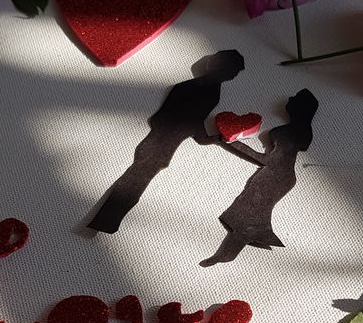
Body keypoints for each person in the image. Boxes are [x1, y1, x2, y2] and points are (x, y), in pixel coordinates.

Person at [87, 50, 245, 234]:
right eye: (232, 71)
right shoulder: (203, 90)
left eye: (235, 73)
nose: (233, 76)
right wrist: (201, 136)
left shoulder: (207, 90)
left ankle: (106, 222)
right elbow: (185, 119)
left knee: (135, 182)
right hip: (161, 142)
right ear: (220, 66)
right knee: (134, 183)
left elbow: (193, 120)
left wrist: (204, 135)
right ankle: (104, 222)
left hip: (164, 142)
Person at [201, 88, 318, 266]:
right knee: (247, 211)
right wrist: (228, 141)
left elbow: (266, 159)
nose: (291, 98)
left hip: (277, 174)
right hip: (277, 173)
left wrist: (232, 143)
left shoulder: (296, 131)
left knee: (247, 212)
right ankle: (229, 252)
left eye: (296, 98)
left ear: (300, 107)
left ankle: (228, 253)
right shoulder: (297, 130)